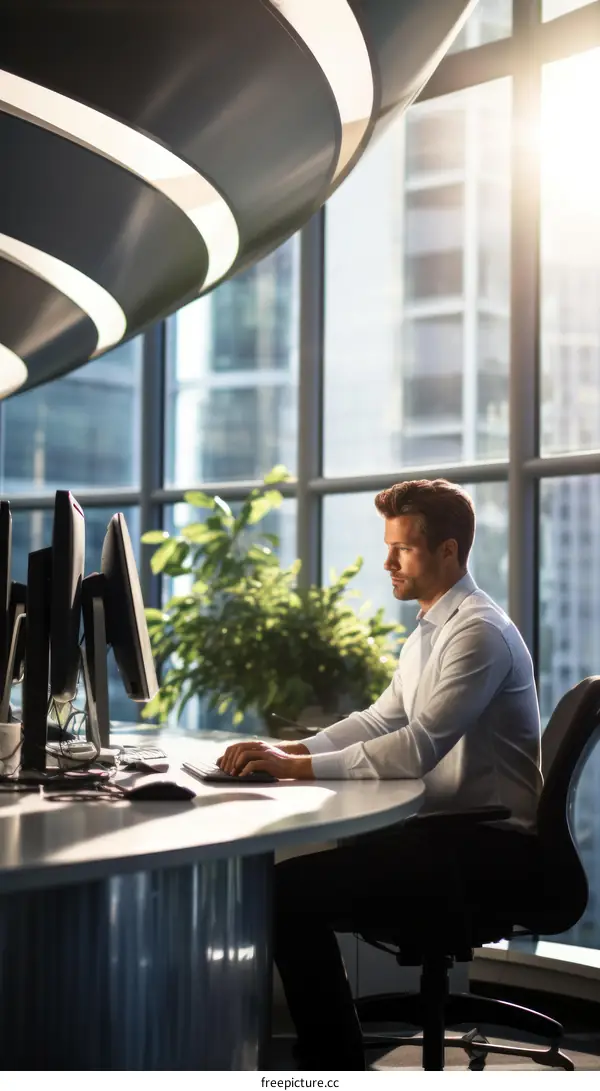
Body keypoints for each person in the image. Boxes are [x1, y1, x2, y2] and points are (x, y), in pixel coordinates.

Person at [218, 479, 543, 1070]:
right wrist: (293, 749)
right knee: (294, 888)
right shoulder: (432, 628)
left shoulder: (478, 634)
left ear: (449, 550)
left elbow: (416, 746)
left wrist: (298, 768)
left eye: (404, 549)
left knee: (288, 896)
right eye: (388, 546)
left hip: (489, 849)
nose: (387, 562)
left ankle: (333, 1068)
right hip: (448, 834)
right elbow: (380, 718)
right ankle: (332, 1057)